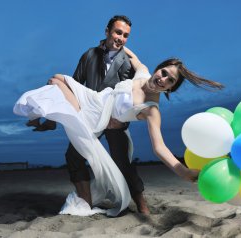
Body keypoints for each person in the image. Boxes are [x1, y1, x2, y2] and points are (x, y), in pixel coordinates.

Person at [13, 47, 224, 217]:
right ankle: (49, 119)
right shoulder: (143, 73)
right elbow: (134, 57)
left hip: (98, 118)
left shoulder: (151, 110)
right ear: (158, 68)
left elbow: (159, 147)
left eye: (170, 81)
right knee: (56, 78)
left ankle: (59, 119)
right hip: (97, 99)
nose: (163, 79)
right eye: (164, 73)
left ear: (170, 89)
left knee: (59, 87)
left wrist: (183, 171)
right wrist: (116, 43)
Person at [28, 15, 150, 214]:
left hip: (113, 120)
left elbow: (131, 95)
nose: (121, 38)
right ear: (107, 31)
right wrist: (53, 119)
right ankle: (85, 201)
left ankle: (142, 204)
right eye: (118, 32)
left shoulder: (128, 62)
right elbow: (73, 87)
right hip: (91, 115)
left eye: (126, 35)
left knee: (121, 160)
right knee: (73, 156)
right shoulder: (89, 55)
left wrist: (121, 122)